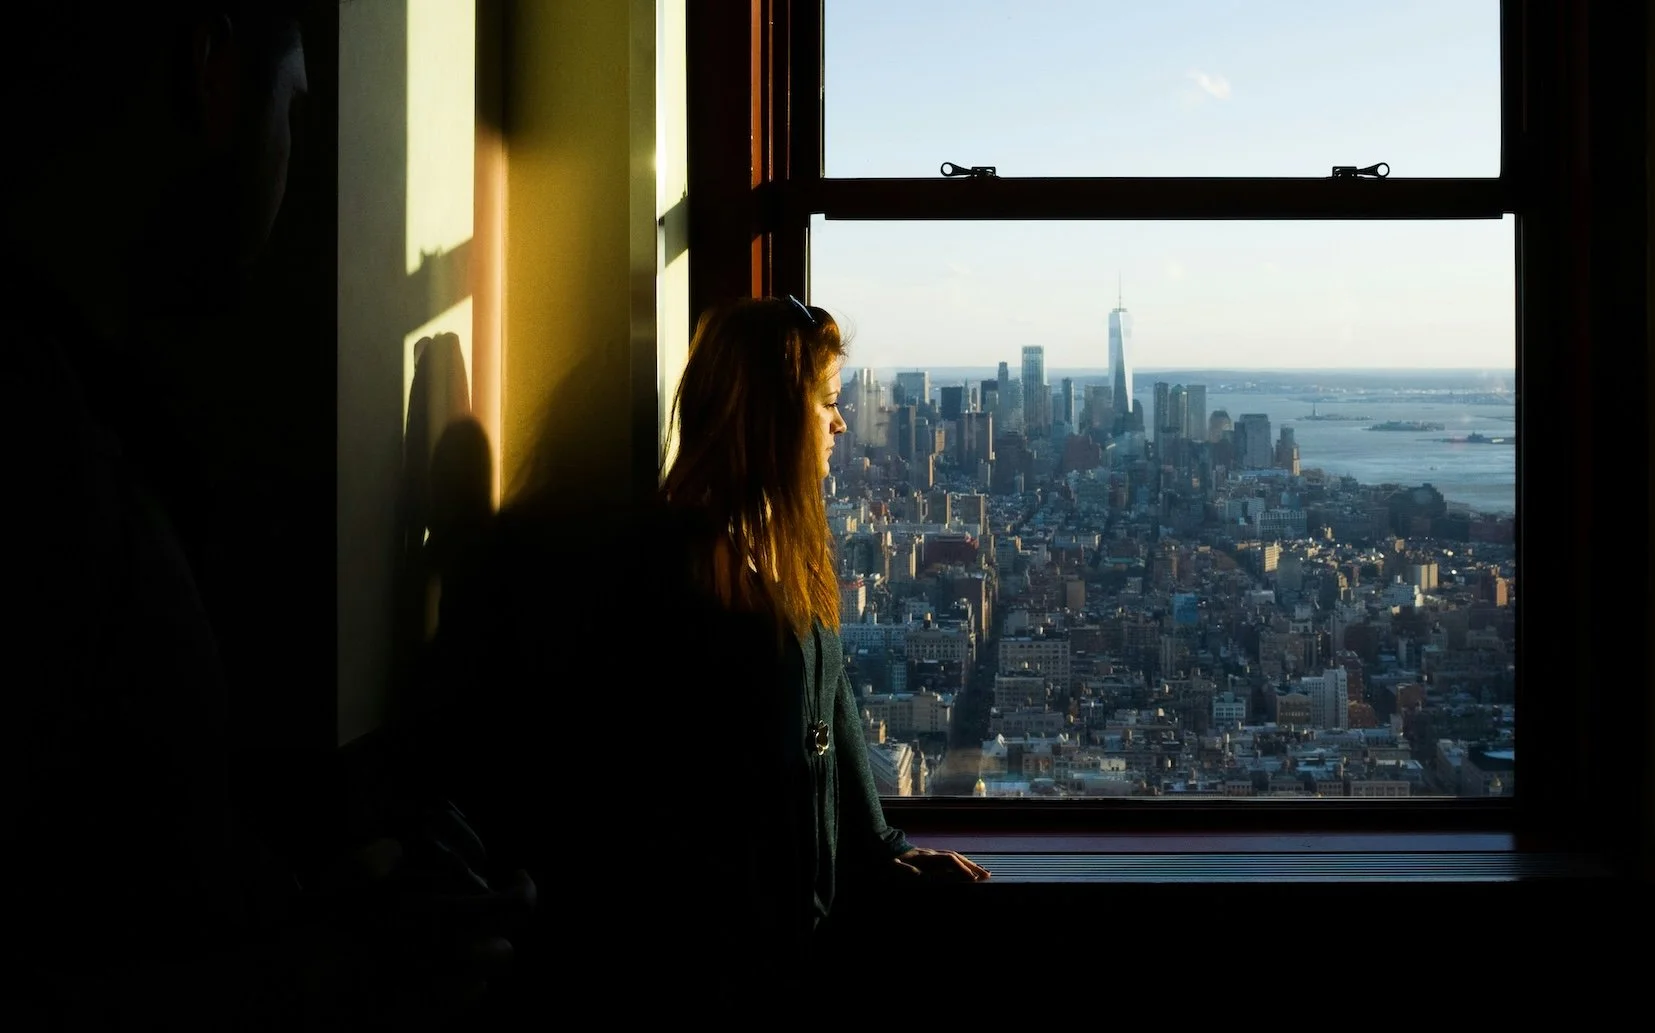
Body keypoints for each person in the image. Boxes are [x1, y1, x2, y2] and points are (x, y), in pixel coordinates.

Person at [5, 4, 527, 1027]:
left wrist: (314, 902)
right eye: (292, 109)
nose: (295, 162)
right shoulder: (41, 449)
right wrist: (335, 970)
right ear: (210, 67)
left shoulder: (75, 413)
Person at [413, 297, 985, 1011]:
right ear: (774, 417)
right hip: (710, 965)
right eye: (829, 403)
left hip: (790, 944)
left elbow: (830, 705)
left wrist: (882, 844)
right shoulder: (670, 569)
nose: (841, 424)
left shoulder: (785, 549)